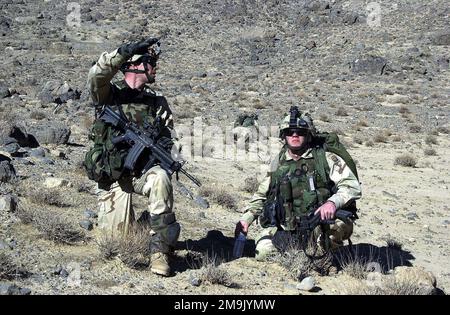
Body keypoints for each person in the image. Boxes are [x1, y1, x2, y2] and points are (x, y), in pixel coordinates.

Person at [87, 37, 179, 276]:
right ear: (137, 64)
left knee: (160, 178)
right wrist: (123, 53)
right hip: (113, 176)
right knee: (116, 247)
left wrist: (159, 156)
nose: (156, 68)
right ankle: (144, 223)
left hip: (141, 173)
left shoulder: (156, 102)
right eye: (151, 63)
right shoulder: (108, 94)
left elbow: (168, 139)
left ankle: (159, 252)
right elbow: (96, 75)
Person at [234, 106, 362, 260]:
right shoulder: (278, 162)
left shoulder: (325, 158)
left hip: (322, 224)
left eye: (300, 132)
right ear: (284, 135)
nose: (294, 135)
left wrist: (332, 203)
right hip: (288, 226)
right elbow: (262, 195)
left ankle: (330, 256)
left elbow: (351, 186)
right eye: (289, 132)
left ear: (308, 135)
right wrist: (246, 219)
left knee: (327, 242)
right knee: (263, 253)